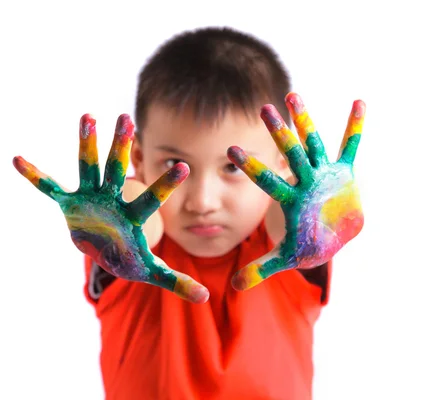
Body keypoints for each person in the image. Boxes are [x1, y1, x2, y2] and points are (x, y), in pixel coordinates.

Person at [14, 26, 365, 400]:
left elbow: (287, 221)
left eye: (235, 167)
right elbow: (138, 214)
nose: (203, 200)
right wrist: (119, 209)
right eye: (174, 166)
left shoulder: (288, 244)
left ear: (282, 165)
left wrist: (319, 210)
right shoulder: (126, 247)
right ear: (139, 159)